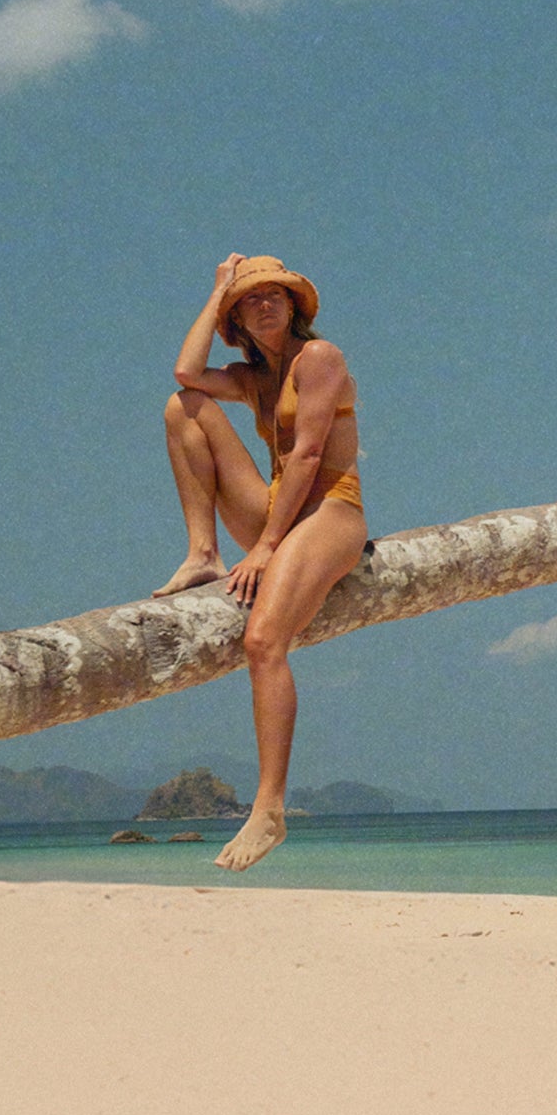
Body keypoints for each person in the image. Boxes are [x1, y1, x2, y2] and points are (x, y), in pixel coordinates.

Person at [157, 254, 367, 872]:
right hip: (278, 508)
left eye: (275, 295)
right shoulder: (253, 376)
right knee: (181, 407)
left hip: (330, 510)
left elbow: (306, 458)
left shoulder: (319, 359)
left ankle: (269, 808)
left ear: (294, 305)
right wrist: (219, 288)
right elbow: (186, 373)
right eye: (251, 300)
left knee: (263, 640)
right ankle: (202, 552)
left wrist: (269, 546)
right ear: (238, 319)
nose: (265, 303)